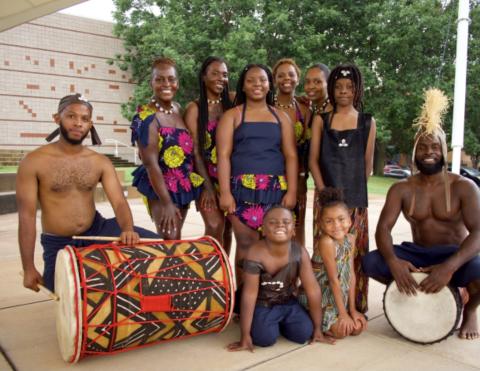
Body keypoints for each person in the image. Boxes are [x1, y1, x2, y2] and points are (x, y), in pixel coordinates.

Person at [362, 88, 480, 340]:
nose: (429, 152)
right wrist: (394, 262)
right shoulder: (401, 189)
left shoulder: (463, 187)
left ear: (443, 149)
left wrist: (449, 267)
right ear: (415, 151)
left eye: (435, 146)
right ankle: (416, 291)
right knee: (371, 261)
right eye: (423, 147)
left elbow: (479, 232)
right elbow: (383, 229)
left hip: (453, 253)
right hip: (418, 253)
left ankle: (470, 308)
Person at [17, 94, 159, 292]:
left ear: (90, 124)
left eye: (84, 119)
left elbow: (118, 202)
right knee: (66, 291)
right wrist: (28, 267)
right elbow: (27, 215)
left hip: (98, 230)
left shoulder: (99, 161)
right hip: (60, 241)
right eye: (71, 116)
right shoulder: (33, 162)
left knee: (159, 247)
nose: (78, 123)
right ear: (57, 118)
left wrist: (127, 229)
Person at [216, 63, 298, 276]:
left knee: (272, 243)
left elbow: (290, 155)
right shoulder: (232, 116)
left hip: (274, 189)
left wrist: (292, 191)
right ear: (242, 86)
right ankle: (244, 298)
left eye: (262, 80)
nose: (257, 84)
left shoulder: (281, 117)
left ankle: (267, 298)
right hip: (240, 189)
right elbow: (223, 156)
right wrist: (225, 192)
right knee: (245, 242)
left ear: (269, 85)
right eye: (251, 80)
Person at [309, 64, 376, 313]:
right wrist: (323, 190)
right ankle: (324, 305)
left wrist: (354, 196)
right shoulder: (322, 121)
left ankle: (355, 305)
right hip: (327, 197)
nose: (344, 91)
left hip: (355, 199)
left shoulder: (368, 122)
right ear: (331, 90)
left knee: (353, 253)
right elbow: (313, 160)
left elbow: (367, 165)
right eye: (338, 87)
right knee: (325, 252)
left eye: (349, 87)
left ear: (357, 90)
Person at [226, 206, 335, 351]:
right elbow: (250, 294)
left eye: (286, 222)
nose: (280, 225)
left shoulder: (299, 252)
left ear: (293, 230)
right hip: (263, 303)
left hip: (287, 301)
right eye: (272, 222)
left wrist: (317, 328)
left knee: (304, 333)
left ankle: (280, 323)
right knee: (264, 339)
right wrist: (245, 335)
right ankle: (257, 323)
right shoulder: (255, 253)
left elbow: (313, 290)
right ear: (263, 230)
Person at [131, 57, 203, 239]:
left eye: (171, 79)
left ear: (177, 83)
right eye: (159, 79)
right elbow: (150, 164)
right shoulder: (145, 116)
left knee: (175, 238)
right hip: (160, 186)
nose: (166, 84)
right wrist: (166, 202)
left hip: (182, 184)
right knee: (170, 237)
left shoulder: (178, 109)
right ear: (151, 83)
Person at [299, 188, 367, 338]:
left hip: (336, 296)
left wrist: (352, 310)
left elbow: (350, 274)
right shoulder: (326, 242)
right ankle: (309, 315)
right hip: (320, 295)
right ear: (321, 225)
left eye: (341, 219)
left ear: (349, 220)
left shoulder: (351, 239)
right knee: (342, 332)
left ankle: (338, 315)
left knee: (357, 328)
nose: (336, 225)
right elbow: (333, 280)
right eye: (329, 221)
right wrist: (343, 315)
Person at [184, 56, 234, 253]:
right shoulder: (194, 109)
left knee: (228, 228)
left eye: (225, 74)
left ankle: (224, 278)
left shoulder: (232, 103)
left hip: (230, 178)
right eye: (215, 73)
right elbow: (195, 152)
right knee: (215, 226)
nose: (221, 78)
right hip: (206, 178)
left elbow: (262, 91)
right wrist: (207, 187)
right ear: (203, 77)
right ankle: (210, 275)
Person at [272, 58, 310, 247]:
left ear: (298, 78)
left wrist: (302, 178)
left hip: (297, 178)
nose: (286, 79)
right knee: (270, 227)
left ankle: (294, 275)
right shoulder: (265, 105)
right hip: (270, 176)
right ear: (274, 80)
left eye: (291, 74)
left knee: (296, 227)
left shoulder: (305, 108)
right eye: (281, 75)